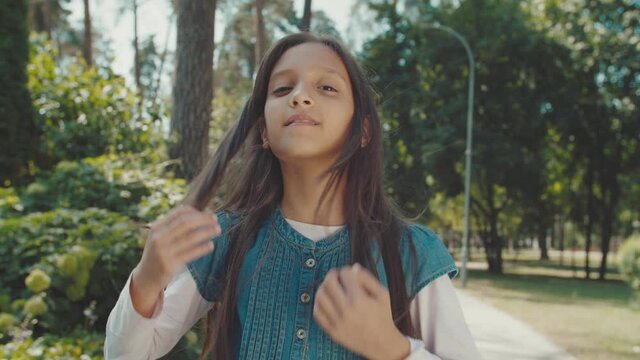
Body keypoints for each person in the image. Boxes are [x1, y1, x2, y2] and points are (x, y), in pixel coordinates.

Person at [104, 32, 481, 360]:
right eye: (282, 88)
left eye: (327, 88)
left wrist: (391, 348)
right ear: (264, 132)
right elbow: (125, 354)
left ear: (363, 131)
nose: (300, 97)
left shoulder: (411, 253)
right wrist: (148, 278)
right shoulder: (226, 240)